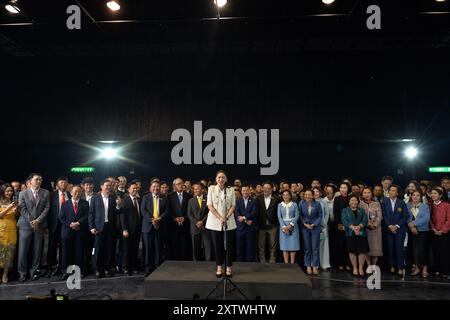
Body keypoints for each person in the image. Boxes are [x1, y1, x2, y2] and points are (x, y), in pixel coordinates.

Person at [18, 173, 50, 282]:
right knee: (23, 250)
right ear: (30, 181)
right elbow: (22, 209)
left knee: (37, 250)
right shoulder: (23, 193)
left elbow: (47, 208)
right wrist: (32, 221)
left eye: (40, 179)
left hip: (39, 225)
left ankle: (33, 272)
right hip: (25, 225)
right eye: (36, 179)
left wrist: (38, 220)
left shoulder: (45, 193)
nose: (39, 181)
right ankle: (22, 273)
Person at [206, 170, 236, 277]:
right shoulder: (211, 189)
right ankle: (219, 267)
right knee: (217, 245)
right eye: (219, 177)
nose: (221, 179)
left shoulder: (231, 189)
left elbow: (233, 205)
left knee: (229, 245)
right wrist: (220, 218)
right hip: (215, 221)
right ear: (216, 179)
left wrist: (226, 217)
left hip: (229, 221)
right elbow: (209, 205)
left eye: (223, 177)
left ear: (226, 179)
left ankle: (228, 267)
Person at [89, 179, 121, 278]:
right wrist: (91, 227)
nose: (108, 187)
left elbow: (116, 213)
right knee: (98, 250)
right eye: (106, 185)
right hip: (98, 228)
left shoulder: (113, 198)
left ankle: (107, 269)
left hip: (110, 227)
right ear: (101, 186)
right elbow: (91, 213)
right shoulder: (95, 198)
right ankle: (98, 269)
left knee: (109, 249)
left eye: (110, 186)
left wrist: (118, 206)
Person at [58, 185, 89, 280]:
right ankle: (65, 271)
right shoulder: (65, 204)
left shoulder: (85, 203)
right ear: (71, 193)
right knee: (66, 253)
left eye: (79, 192)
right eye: (75, 192)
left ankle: (79, 271)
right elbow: (61, 217)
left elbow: (87, 216)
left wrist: (78, 223)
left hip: (80, 231)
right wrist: (70, 224)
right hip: (67, 232)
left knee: (79, 252)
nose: (77, 193)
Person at [381, 184, 409, 276]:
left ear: (397, 193)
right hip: (388, 230)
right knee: (390, 248)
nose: (391, 192)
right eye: (390, 190)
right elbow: (384, 215)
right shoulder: (384, 202)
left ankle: (400, 267)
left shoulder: (402, 202)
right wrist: (390, 226)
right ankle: (392, 266)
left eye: (393, 190)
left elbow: (405, 216)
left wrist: (396, 226)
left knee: (399, 249)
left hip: (400, 230)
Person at [141, 180, 167, 276]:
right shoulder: (146, 197)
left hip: (160, 226)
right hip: (148, 227)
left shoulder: (164, 198)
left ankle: (158, 268)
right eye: (154, 186)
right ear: (150, 188)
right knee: (148, 249)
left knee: (158, 248)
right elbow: (143, 210)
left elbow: (166, 211)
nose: (156, 188)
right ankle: (148, 268)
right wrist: (152, 220)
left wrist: (159, 219)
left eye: (157, 187)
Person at [46, 176, 70, 277]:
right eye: (61, 183)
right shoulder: (51, 195)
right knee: (52, 247)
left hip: (66, 225)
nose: (63, 184)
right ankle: (50, 268)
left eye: (65, 183)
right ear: (57, 185)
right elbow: (47, 211)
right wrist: (47, 225)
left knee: (64, 248)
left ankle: (62, 268)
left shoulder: (70, 194)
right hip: (54, 225)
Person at [342, 195, 369, 276]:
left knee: (362, 251)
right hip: (350, 233)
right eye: (352, 200)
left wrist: (359, 227)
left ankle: (361, 268)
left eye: (355, 200)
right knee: (352, 251)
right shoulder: (345, 210)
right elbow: (344, 220)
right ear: (349, 202)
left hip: (362, 233)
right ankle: (355, 268)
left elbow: (365, 220)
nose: (354, 202)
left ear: (358, 202)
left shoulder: (362, 210)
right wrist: (353, 228)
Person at [166, 178, 193, 260]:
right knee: (174, 244)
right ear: (174, 186)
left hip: (186, 223)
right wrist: (175, 219)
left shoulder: (189, 196)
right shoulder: (169, 196)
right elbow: (168, 210)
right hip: (174, 225)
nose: (180, 185)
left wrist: (184, 218)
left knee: (185, 244)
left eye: (181, 183)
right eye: (178, 184)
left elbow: (190, 210)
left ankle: (186, 261)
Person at [119, 182, 142, 275]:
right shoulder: (125, 200)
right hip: (127, 230)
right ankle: (125, 268)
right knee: (126, 250)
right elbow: (122, 216)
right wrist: (124, 229)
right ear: (128, 190)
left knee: (135, 249)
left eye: (136, 188)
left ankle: (133, 267)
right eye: (133, 188)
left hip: (137, 230)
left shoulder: (139, 200)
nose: (135, 190)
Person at [406, 190, 430, 278]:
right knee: (414, 250)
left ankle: (424, 269)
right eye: (414, 195)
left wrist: (414, 224)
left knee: (423, 250)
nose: (415, 197)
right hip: (411, 231)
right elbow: (406, 217)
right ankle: (416, 268)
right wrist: (411, 227)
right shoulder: (408, 205)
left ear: (421, 197)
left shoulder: (425, 206)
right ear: (411, 196)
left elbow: (426, 219)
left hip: (423, 231)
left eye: (417, 195)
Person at [359, 187, 382, 273]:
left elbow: (379, 216)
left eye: (368, 192)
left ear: (371, 194)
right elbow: (360, 216)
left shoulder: (376, 203)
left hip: (375, 229)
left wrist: (375, 225)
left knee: (375, 248)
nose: (367, 194)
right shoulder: (360, 204)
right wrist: (367, 224)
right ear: (362, 194)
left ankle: (374, 266)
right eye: (365, 192)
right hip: (364, 229)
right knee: (366, 248)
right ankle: (368, 266)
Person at [187, 183, 212, 261]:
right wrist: (197, 222)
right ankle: (196, 263)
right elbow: (189, 213)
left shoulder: (208, 199)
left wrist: (202, 222)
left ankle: (208, 261)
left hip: (206, 226)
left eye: (197, 188)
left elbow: (210, 212)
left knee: (207, 246)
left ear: (202, 189)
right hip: (195, 227)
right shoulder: (191, 200)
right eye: (194, 189)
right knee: (195, 247)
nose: (196, 190)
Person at [299, 190, 322, 275]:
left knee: (315, 248)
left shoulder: (317, 204)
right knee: (307, 248)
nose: (307, 196)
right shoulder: (301, 204)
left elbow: (320, 216)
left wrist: (314, 224)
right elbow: (300, 215)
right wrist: (304, 223)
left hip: (315, 228)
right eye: (306, 194)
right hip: (305, 228)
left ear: (313, 196)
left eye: (309, 195)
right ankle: (308, 265)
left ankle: (315, 266)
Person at [256, 182, 279, 263]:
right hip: (261, 226)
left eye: (268, 188)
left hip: (273, 225)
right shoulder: (258, 198)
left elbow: (278, 212)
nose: (266, 190)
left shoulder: (276, 198)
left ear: (272, 189)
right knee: (261, 246)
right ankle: (262, 261)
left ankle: (272, 261)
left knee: (273, 246)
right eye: (264, 188)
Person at [0, 184, 19, 283]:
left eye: (11, 191)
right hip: (1, 230)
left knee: (10, 253)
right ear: (3, 191)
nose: (9, 193)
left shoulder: (13, 202)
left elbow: (15, 216)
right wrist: (9, 207)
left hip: (12, 229)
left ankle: (5, 274)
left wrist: (15, 210)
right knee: (1, 253)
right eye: (7, 191)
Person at [430, 187, 450, 278]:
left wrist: (442, 230)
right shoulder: (430, 205)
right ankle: (437, 270)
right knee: (435, 252)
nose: (433, 195)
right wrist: (434, 229)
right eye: (432, 193)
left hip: (444, 233)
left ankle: (445, 271)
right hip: (433, 232)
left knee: (444, 252)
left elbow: (449, 219)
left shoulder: (446, 205)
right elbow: (429, 219)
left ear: (440, 195)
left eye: (435, 193)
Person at [235, 184, 258, 262]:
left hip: (250, 229)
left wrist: (244, 218)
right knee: (239, 248)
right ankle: (240, 264)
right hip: (240, 228)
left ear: (250, 191)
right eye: (243, 190)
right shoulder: (238, 200)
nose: (245, 192)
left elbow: (254, 213)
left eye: (247, 190)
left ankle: (250, 265)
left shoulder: (254, 200)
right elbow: (236, 213)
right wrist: (245, 220)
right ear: (241, 191)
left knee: (250, 248)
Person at [330, 182, 351, 270]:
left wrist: (348, 224)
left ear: (348, 189)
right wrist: (339, 223)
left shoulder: (351, 198)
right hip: (339, 225)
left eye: (344, 187)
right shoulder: (337, 199)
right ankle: (340, 263)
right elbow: (335, 212)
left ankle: (348, 263)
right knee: (340, 245)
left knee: (348, 245)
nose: (343, 189)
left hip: (350, 225)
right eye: (341, 187)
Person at [277, 190, 300, 264]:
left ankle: (292, 263)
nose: (285, 196)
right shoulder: (280, 205)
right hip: (283, 226)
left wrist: (290, 225)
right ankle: (286, 263)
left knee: (293, 245)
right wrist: (284, 227)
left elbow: (297, 215)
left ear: (290, 196)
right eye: (284, 195)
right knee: (285, 246)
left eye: (287, 195)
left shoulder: (294, 204)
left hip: (293, 226)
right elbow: (279, 217)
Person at [80, 177, 95, 275]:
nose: (88, 186)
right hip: (82, 226)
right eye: (86, 185)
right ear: (83, 186)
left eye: (90, 184)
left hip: (94, 226)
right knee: (83, 248)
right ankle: (84, 268)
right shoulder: (79, 196)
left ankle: (93, 266)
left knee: (94, 247)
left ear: (93, 186)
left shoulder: (98, 196)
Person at [320, 184, 335, 270]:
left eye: (317, 191)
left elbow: (326, 214)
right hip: (314, 227)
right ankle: (316, 263)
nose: (316, 193)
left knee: (324, 245)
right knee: (315, 246)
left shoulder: (323, 201)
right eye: (314, 192)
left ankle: (325, 263)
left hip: (323, 226)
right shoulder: (311, 201)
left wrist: (324, 223)